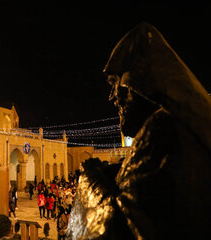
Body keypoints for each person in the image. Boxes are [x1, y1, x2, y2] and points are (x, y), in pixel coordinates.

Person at [68, 22, 211, 240]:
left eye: (115, 82)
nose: (112, 96)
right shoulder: (184, 129)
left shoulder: (162, 130)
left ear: (137, 83)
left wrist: (91, 181)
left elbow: (115, 231)